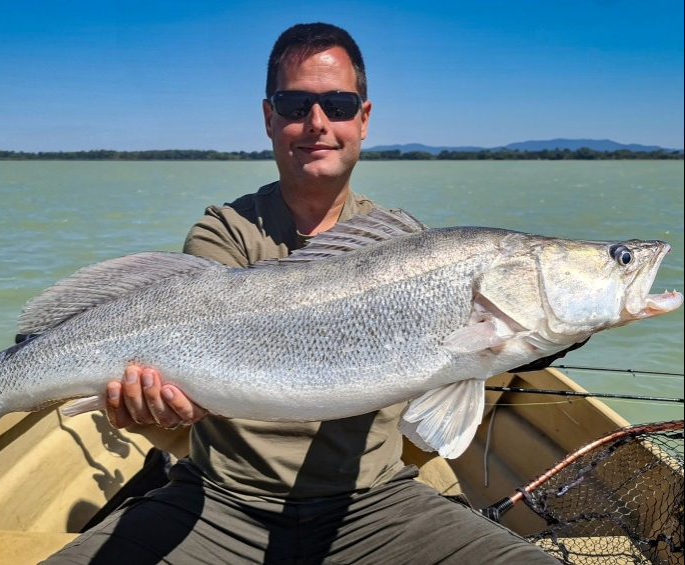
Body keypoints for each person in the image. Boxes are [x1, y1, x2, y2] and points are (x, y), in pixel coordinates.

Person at [42, 22, 561, 564]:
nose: (317, 123)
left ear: (363, 118)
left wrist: (509, 341)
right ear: (269, 118)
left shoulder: (413, 251)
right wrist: (158, 409)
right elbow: (188, 384)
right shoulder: (224, 232)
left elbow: (431, 420)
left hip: (375, 504)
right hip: (220, 503)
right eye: (295, 105)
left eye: (338, 104)